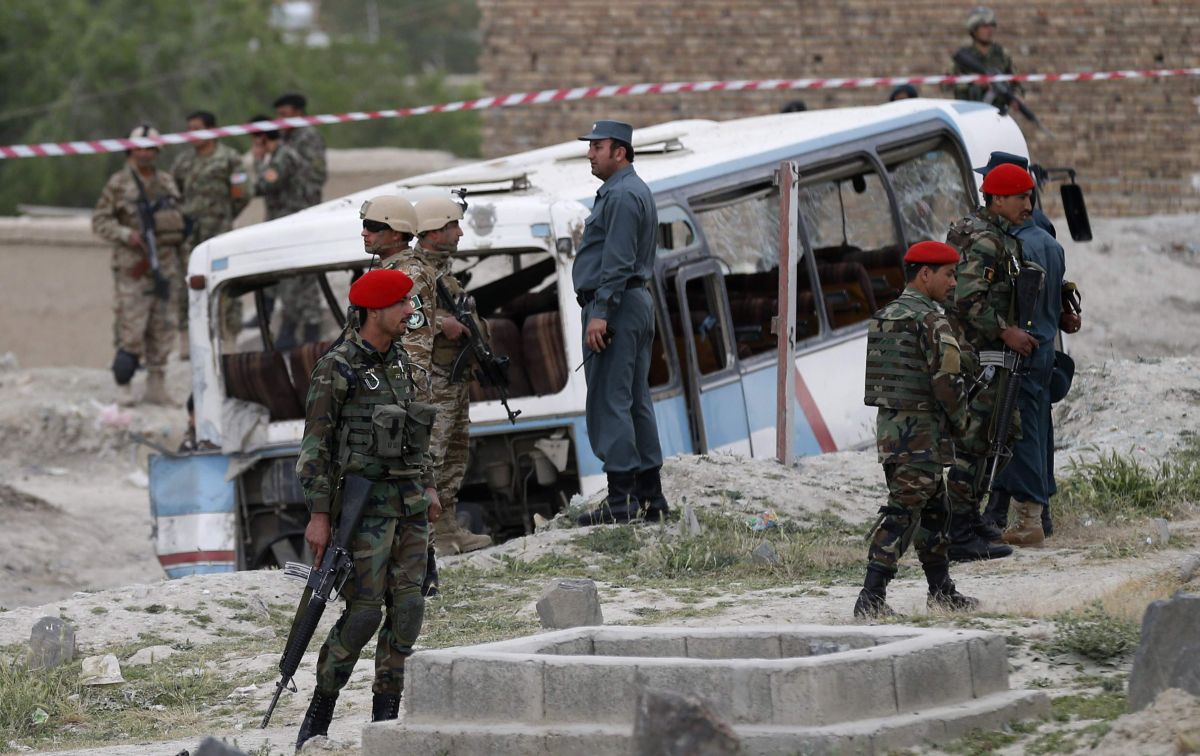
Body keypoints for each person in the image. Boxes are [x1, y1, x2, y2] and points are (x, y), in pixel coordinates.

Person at [294, 268, 441, 749]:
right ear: (375, 310)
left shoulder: (401, 364)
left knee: (409, 609)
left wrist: (431, 487)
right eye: (401, 305)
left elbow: (419, 437)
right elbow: (314, 446)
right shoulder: (338, 367)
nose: (409, 312)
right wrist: (319, 515)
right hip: (364, 511)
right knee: (362, 614)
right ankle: (320, 714)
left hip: (411, 506)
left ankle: (386, 718)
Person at [854, 241, 979, 618]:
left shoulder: (885, 316)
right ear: (925, 274)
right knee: (904, 514)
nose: (954, 282)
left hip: (894, 433)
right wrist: (965, 426)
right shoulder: (931, 320)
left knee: (934, 512)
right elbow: (946, 383)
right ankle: (870, 597)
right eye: (948, 274)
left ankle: (941, 591)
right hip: (921, 435)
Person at [977, 155, 1083, 545]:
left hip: (1020, 352)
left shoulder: (1016, 243)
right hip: (1042, 351)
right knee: (1037, 433)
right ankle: (1039, 515)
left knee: (1017, 434)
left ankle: (1031, 519)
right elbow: (1056, 294)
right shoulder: (1050, 242)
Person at [573, 120, 669, 526]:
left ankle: (622, 500)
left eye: (597, 146)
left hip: (615, 305)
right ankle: (650, 497)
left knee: (610, 398)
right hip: (629, 302)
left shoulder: (624, 194)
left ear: (620, 151)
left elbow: (616, 260)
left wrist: (600, 313)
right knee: (633, 398)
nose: (590, 153)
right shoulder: (627, 190)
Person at [943, 163, 1040, 562]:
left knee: (1000, 438)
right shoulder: (984, 241)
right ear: (998, 199)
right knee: (977, 443)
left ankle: (969, 519)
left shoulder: (994, 236)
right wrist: (1006, 332)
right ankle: (959, 531)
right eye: (1021, 197)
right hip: (982, 359)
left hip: (991, 358)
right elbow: (967, 300)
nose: (1029, 206)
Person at [404, 196, 495, 555]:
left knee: (455, 455)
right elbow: (407, 318)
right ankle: (427, 538)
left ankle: (447, 530)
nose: (459, 232)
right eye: (452, 226)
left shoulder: (442, 269)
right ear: (433, 231)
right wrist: (444, 324)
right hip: (433, 378)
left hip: (452, 378)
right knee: (432, 457)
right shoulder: (414, 270)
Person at [92, 124, 186, 405]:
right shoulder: (119, 183)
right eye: (140, 148)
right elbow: (100, 221)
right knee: (131, 327)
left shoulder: (167, 183)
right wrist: (126, 235)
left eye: (150, 148)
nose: (145, 154)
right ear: (130, 149)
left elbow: (179, 224)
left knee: (162, 326)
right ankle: (124, 384)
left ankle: (157, 385)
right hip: (133, 267)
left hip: (166, 266)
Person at [170, 111, 248, 354]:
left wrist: (223, 215)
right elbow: (174, 193)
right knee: (187, 282)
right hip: (191, 233)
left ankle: (229, 338)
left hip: (220, 231)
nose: (193, 134)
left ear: (212, 130)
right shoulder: (183, 162)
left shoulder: (230, 159)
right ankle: (187, 340)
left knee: (226, 282)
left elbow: (242, 193)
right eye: (189, 129)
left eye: (197, 128)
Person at [247, 115, 322, 348]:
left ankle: (297, 332)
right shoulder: (281, 156)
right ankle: (299, 330)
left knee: (294, 280)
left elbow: (263, 185)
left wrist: (258, 161)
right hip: (286, 225)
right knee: (290, 279)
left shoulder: (282, 158)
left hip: (291, 228)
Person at [951, 6, 1023, 104]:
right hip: (967, 112)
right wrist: (971, 82)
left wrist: (1011, 92)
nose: (989, 30)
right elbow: (946, 85)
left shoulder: (1002, 54)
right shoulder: (963, 56)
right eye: (984, 26)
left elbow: (1017, 84)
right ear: (974, 29)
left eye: (992, 25)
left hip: (996, 113)